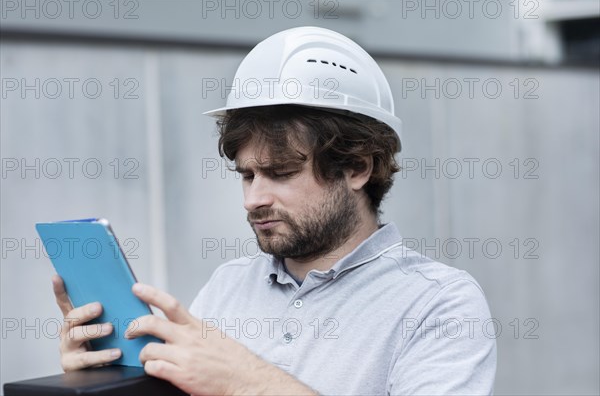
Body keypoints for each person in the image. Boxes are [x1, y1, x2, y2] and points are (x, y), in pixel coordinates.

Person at [52, 27, 497, 395]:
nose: (252, 200)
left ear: (358, 167)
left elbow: (236, 382)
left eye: (281, 173)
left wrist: (247, 382)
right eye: (247, 176)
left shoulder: (439, 303)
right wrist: (104, 379)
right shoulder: (229, 284)